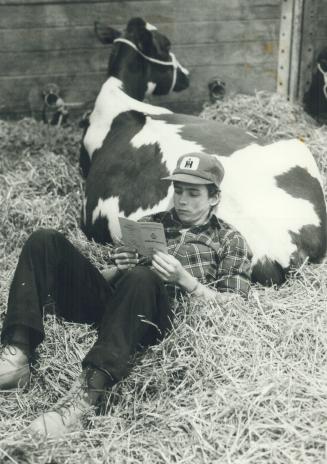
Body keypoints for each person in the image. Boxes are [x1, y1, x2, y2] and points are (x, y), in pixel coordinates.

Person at [0, 152, 252, 438]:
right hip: (118, 307)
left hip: (160, 321)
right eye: (178, 191)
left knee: (143, 277)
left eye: (193, 193)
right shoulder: (149, 223)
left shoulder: (230, 240)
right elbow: (110, 280)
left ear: (214, 198)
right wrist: (118, 269)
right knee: (44, 240)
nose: (182, 200)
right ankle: (17, 353)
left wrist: (186, 280)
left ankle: (84, 397)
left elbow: (235, 305)